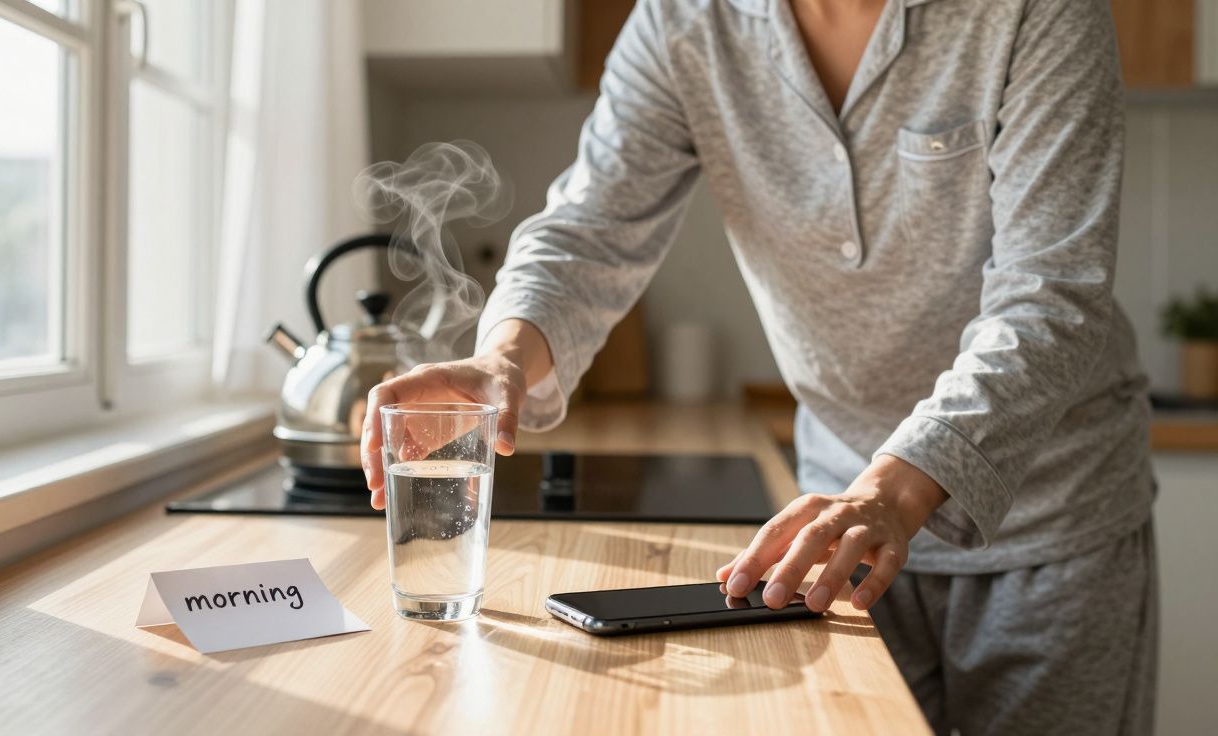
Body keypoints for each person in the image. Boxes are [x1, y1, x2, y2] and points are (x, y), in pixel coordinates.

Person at [360, 1, 1158, 733]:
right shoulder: (684, 22)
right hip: (834, 532)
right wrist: (503, 356)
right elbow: (589, 229)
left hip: (1054, 522)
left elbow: (1051, 293)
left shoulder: (1034, 10)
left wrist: (892, 489)